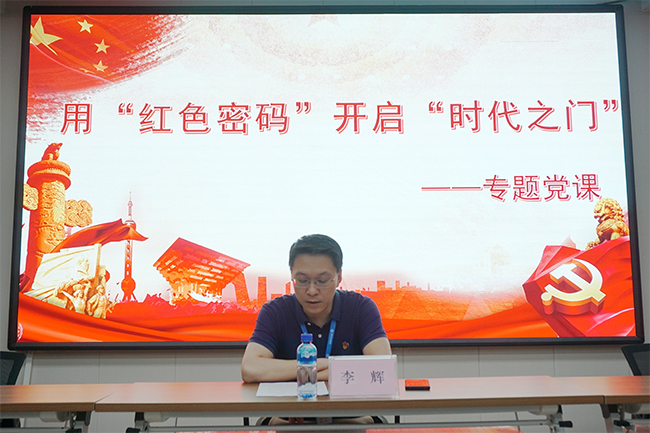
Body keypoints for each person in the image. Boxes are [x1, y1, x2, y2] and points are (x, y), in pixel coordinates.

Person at [241, 234, 391, 384]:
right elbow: (250, 369)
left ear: (338, 278)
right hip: (294, 399)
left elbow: (384, 366)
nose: (312, 291)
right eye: (302, 281)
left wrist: (313, 374)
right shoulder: (274, 312)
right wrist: (322, 365)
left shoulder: (361, 308)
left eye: (322, 281)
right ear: (292, 276)